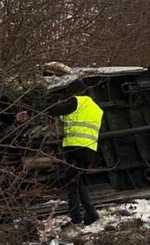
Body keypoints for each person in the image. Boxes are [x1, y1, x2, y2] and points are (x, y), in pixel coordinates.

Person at [17, 94, 104, 225]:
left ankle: (77, 218)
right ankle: (90, 213)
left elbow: (55, 109)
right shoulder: (95, 108)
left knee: (71, 183)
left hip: (76, 148)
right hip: (89, 149)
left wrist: (29, 112)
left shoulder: (78, 101)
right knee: (77, 181)